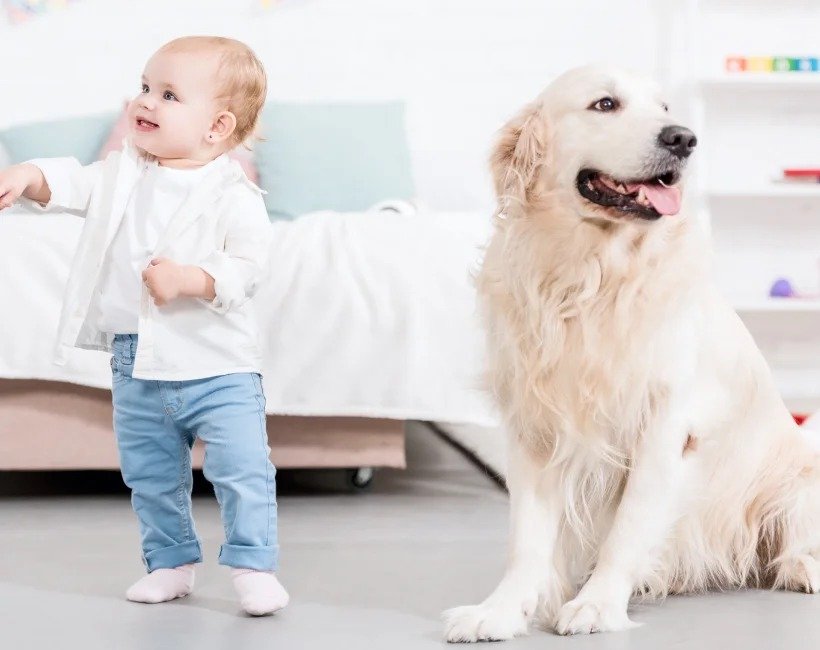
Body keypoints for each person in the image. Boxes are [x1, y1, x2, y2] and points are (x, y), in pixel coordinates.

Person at [0, 35, 288, 616]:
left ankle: (254, 566)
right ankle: (169, 563)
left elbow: (248, 268)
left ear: (217, 127)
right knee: (150, 476)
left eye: (169, 95)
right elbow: (73, 183)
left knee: (243, 471)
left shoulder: (234, 193)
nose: (146, 101)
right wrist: (31, 175)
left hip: (219, 366)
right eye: (145, 87)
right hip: (137, 362)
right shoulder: (123, 171)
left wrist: (190, 280)